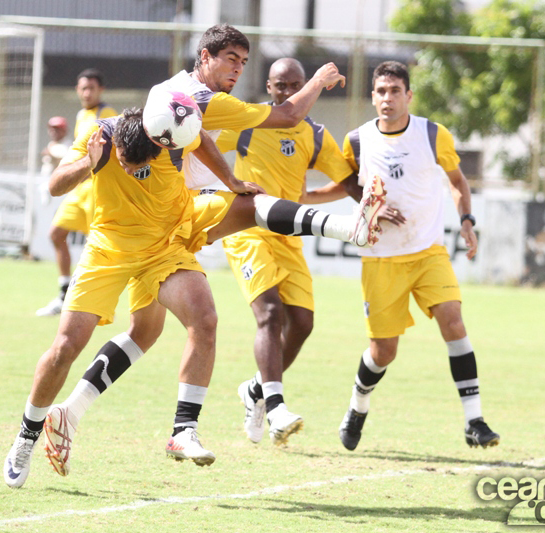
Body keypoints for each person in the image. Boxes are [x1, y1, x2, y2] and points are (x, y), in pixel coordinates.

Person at [40, 24, 385, 477]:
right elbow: (284, 117)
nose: (238, 70)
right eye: (231, 61)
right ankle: (346, 232)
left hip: (165, 223)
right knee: (250, 217)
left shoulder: (178, 93)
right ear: (205, 57)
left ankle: (73, 412)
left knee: (149, 330)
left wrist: (227, 178)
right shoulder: (204, 99)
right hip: (164, 219)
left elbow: (196, 137)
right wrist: (318, 81)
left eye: (243, 63)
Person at [3, 108, 263, 488]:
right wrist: (89, 165)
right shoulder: (100, 137)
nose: (131, 172)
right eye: (125, 164)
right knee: (66, 347)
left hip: (162, 247)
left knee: (199, 321)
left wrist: (231, 179)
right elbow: (55, 185)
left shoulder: (171, 133)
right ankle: (27, 437)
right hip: (108, 249)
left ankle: (183, 430)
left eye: (140, 167)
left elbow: (202, 140)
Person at [306, 61, 499, 451]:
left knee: (454, 321)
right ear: (373, 96)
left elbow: (457, 181)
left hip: (428, 252)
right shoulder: (358, 141)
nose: (387, 98)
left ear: (408, 95)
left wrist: (466, 220)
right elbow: (345, 185)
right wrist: (300, 197)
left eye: (395, 91)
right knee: (383, 351)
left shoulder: (431, 134)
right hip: (381, 259)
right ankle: (358, 404)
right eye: (381, 91)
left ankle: (474, 420)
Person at [211, 57, 363, 446]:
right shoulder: (248, 122)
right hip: (248, 231)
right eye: (280, 86)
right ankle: (276, 408)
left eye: (294, 85)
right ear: (268, 88)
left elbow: (347, 181)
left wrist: (375, 206)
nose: (287, 92)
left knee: (303, 323)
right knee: (271, 314)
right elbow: (200, 147)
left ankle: (256, 390)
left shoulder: (315, 134)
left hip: (288, 235)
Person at [36, 69, 118, 317]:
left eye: (91, 88)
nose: (86, 92)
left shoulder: (108, 115)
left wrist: (60, 154)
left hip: (96, 189)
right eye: (83, 88)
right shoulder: (82, 114)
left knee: (99, 246)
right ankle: (63, 294)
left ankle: (94, 301)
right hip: (79, 189)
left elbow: (101, 155)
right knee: (56, 234)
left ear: (100, 90)